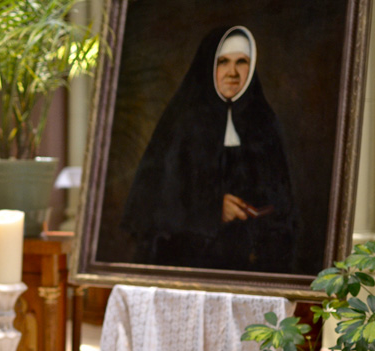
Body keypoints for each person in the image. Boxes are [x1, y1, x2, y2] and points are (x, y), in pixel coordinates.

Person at [120, 25, 296, 272]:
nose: (232, 72)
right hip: (188, 263)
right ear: (209, 66)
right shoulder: (182, 122)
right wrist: (213, 210)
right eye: (223, 62)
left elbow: (284, 207)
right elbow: (155, 207)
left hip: (251, 266)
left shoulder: (265, 124)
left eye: (241, 62)